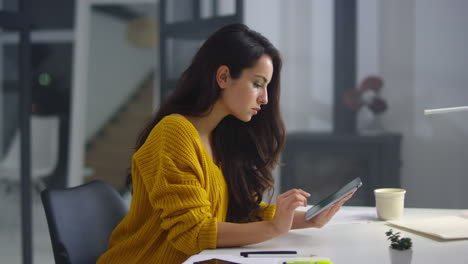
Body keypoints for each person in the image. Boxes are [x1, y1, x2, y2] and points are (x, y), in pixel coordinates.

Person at [97, 23, 353, 264]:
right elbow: (192, 234)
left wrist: (306, 219)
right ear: (223, 77)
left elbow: (238, 213)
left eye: (266, 87)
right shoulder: (174, 134)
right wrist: (274, 228)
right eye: (257, 84)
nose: (264, 98)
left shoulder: (220, 137)